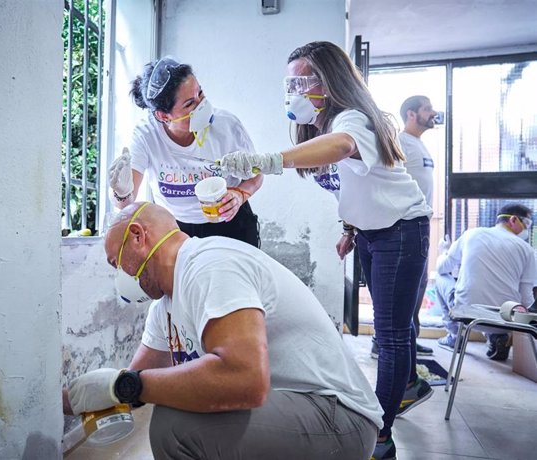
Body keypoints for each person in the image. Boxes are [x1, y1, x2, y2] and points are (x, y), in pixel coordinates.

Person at [219, 41, 434, 460]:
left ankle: (380, 437)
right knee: (398, 327)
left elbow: (342, 148)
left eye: (303, 81)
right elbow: (356, 184)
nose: (294, 91)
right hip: (372, 233)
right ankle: (406, 386)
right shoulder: (316, 127)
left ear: (330, 81)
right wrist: (350, 228)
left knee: (389, 336)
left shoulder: (353, 119)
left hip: (403, 230)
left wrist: (267, 160)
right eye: (290, 83)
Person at [66, 201, 383, 460]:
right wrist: (69, 399)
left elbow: (244, 380)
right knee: (180, 411)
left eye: (116, 263)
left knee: (175, 426)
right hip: (294, 412)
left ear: (138, 236)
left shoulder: (210, 265)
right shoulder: (164, 307)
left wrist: (126, 385)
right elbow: (133, 384)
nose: (120, 276)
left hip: (339, 418)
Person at [108, 56, 263, 247]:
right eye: (190, 104)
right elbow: (124, 204)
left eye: (201, 93)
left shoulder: (227, 125)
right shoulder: (146, 135)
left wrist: (240, 194)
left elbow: (257, 175)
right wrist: (121, 192)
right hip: (176, 230)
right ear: (163, 116)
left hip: (231, 224)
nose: (202, 105)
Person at [372, 95, 439, 359]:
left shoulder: (420, 145)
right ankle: (385, 341)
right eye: (427, 109)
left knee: (417, 287)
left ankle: (411, 339)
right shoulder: (401, 143)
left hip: (420, 224)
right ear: (411, 114)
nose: (433, 113)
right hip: (403, 226)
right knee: (402, 292)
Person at [435, 204, 537, 361]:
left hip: (466, 316)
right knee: (504, 294)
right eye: (527, 224)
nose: (527, 229)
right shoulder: (527, 250)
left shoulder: (471, 234)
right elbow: (526, 298)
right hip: (506, 321)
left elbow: (442, 268)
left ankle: (456, 336)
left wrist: (444, 252)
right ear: (513, 220)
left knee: (440, 278)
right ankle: (497, 337)